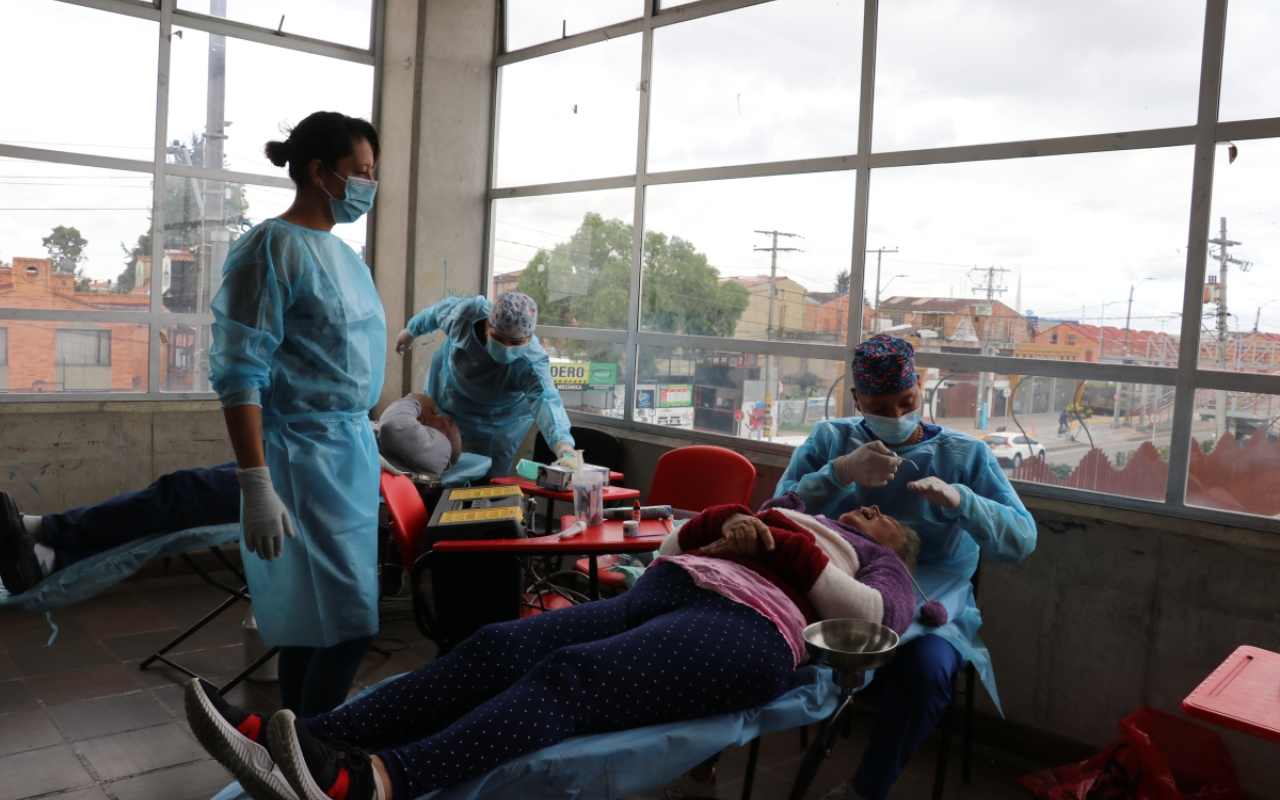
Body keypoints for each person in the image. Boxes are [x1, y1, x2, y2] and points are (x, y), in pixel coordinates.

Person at [183, 498, 921, 800]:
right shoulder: (788, 509)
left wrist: (791, 550)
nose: (866, 513)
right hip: (662, 590)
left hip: (750, 629)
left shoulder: (875, 562)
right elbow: (669, 543)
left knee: (574, 676)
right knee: (496, 645)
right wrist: (717, 527)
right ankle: (304, 747)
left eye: (883, 517)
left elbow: (874, 619)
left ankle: (379, 782)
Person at [776, 334, 1037, 800]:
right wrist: (838, 473)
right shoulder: (831, 441)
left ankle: (865, 788)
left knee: (928, 671)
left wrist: (964, 501)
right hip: (836, 595)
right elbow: (777, 516)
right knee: (767, 640)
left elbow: (1020, 541)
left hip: (931, 608)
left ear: (920, 388)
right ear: (856, 398)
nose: (896, 416)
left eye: (906, 402)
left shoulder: (965, 456)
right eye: (879, 406)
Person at [208, 110, 389, 722]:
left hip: (350, 458)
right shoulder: (270, 250)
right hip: (302, 464)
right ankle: (312, 754)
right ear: (319, 172)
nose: (369, 185)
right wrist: (256, 483)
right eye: (360, 172)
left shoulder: (345, 258)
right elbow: (240, 375)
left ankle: (295, 749)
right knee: (349, 626)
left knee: (315, 626)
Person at [0, 394, 459, 596]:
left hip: (306, 490)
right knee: (178, 493)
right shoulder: (407, 441)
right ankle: (47, 555)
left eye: (439, 417)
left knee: (179, 494)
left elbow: (399, 423)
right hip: (298, 469)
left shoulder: (442, 450)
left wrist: (418, 399)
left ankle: (46, 539)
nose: (433, 416)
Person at [395, 292, 574, 478]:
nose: (506, 348)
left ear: (529, 339)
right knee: (433, 461)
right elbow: (436, 313)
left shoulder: (531, 362)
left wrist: (561, 442)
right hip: (450, 394)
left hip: (499, 421)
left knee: (488, 476)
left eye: (516, 343)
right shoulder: (465, 317)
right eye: (498, 338)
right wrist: (411, 331)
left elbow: (545, 400)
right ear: (488, 325)